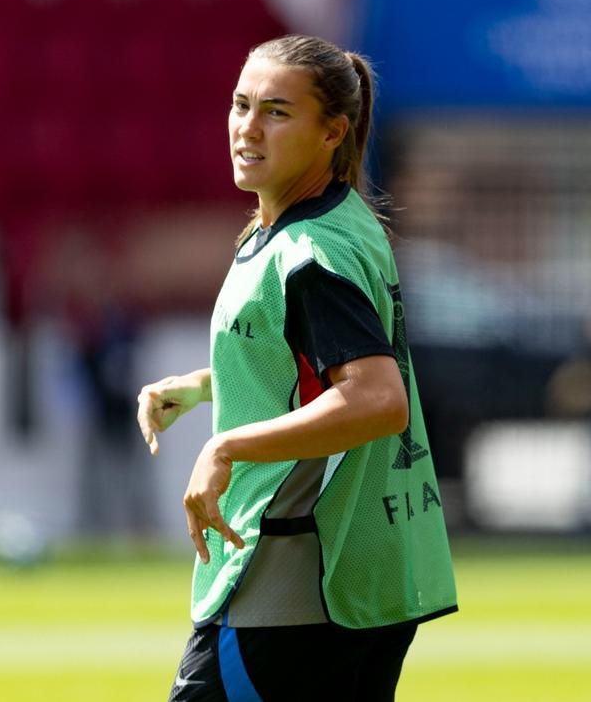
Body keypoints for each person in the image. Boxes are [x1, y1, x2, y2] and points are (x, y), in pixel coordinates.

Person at [136, 34, 457, 702]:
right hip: (360, 574)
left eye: (277, 111)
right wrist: (202, 386)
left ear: (332, 131)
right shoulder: (335, 221)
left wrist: (227, 444)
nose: (248, 127)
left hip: (295, 580)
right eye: (241, 104)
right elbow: (309, 366)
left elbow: (375, 397)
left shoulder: (310, 252)